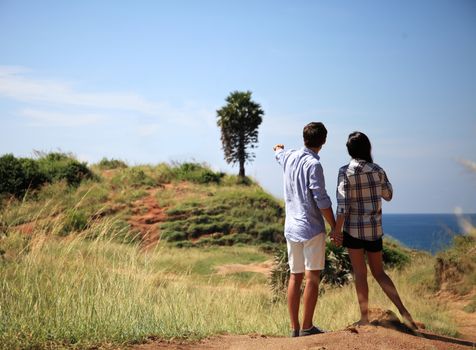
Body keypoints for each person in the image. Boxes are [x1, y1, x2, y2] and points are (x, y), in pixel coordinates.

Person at [330, 131, 417, 330]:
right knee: (379, 273)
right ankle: (404, 312)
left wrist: (336, 230)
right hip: (374, 230)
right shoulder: (377, 170)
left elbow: (342, 205)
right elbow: (389, 195)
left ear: (349, 150)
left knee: (360, 273)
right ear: (368, 148)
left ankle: (364, 318)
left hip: (353, 230)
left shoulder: (345, 171)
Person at [274, 122, 336, 337]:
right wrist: (335, 226)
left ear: (304, 137)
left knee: (295, 276)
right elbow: (321, 199)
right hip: (311, 227)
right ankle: (307, 327)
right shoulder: (314, 164)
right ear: (324, 141)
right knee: (312, 278)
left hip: (291, 227)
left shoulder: (289, 157)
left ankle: (294, 328)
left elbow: (279, 154)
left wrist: (278, 149)